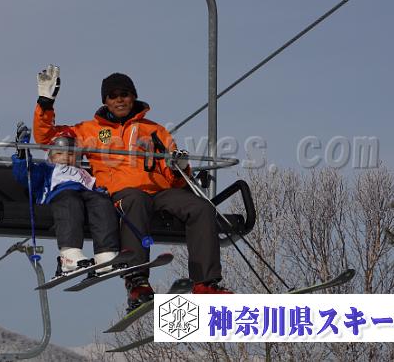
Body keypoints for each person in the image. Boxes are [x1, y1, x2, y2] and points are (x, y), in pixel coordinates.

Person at [32, 65, 232, 311]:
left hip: (159, 191)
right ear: (105, 101)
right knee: (135, 200)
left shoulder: (155, 131)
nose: (119, 100)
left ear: (133, 97)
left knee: (201, 207)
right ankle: (136, 281)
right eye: (113, 96)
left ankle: (205, 283)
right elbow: (47, 138)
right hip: (121, 191)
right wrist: (45, 103)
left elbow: (176, 180)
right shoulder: (89, 130)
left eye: (124, 94)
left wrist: (180, 167)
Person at [12, 124, 120, 276]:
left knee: (102, 202)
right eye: (59, 153)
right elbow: (24, 175)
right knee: (70, 199)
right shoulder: (47, 169)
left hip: (85, 198)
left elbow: (95, 188)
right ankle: (69, 254)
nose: (65, 157)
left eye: (71, 154)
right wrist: (22, 153)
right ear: (50, 156)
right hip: (60, 198)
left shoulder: (84, 173)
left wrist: (101, 192)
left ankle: (105, 254)